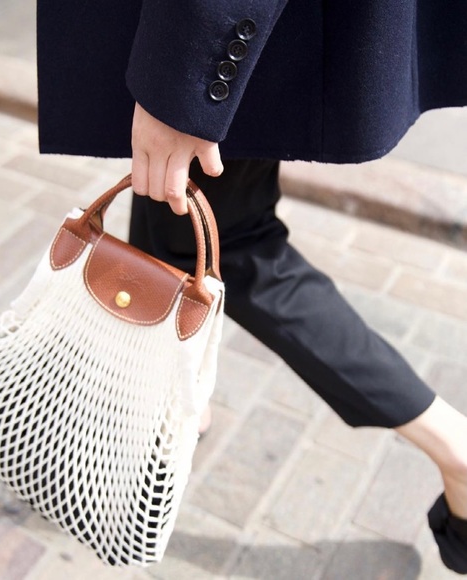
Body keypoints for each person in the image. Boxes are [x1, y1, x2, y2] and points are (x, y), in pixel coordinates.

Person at [36, 0, 467, 572]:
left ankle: (453, 444)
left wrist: (182, 86)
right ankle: (170, 413)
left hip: (214, 34)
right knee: (177, 224)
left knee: (232, 242)